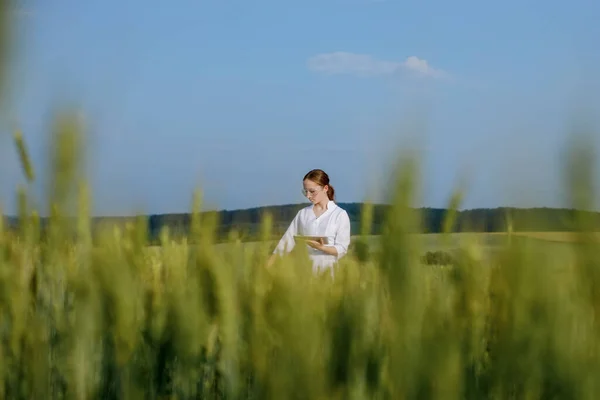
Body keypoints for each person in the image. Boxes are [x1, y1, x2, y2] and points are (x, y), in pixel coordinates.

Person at [267, 169, 351, 274]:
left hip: (328, 274)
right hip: (304, 275)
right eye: (305, 191)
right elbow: (286, 242)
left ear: (325, 188)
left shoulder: (339, 215)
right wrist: (267, 266)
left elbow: (342, 248)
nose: (308, 196)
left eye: (312, 191)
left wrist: (321, 247)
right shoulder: (302, 214)